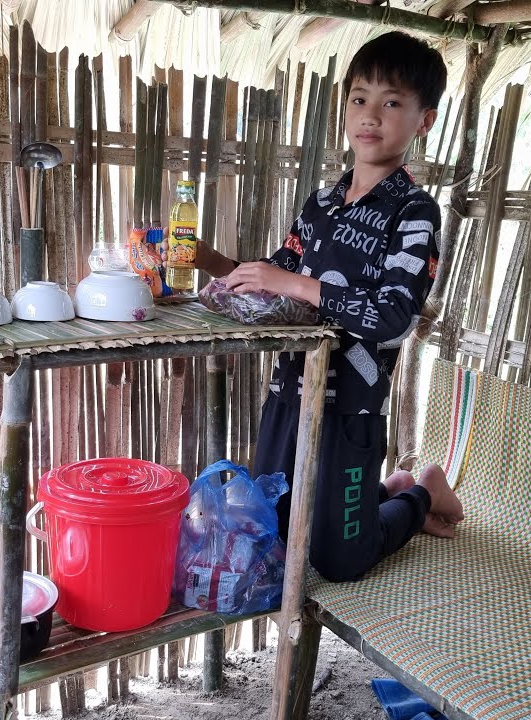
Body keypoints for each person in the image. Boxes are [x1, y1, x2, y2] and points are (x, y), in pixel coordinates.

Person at [193, 31, 463, 583]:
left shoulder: (415, 213)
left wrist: (298, 284)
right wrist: (208, 260)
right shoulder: (319, 205)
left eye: (392, 103)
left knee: (340, 561)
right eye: (360, 98)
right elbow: (270, 284)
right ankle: (382, 492)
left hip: (352, 406)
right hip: (288, 392)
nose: (371, 115)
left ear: (425, 120)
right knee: (273, 529)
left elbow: (394, 318)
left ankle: (420, 494)